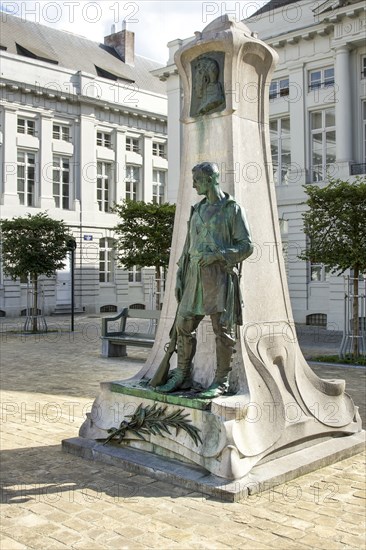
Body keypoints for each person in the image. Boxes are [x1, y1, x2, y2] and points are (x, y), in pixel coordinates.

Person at [157, 162, 253, 398]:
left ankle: (220, 381)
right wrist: (180, 275)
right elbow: (188, 245)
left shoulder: (232, 209)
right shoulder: (196, 210)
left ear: (210, 179)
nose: (193, 185)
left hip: (218, 279)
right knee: (182, 325)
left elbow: (247, 246)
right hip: (193, 278)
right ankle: (182, 374)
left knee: (223, 331)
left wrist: (217, 256)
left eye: (197, 180)